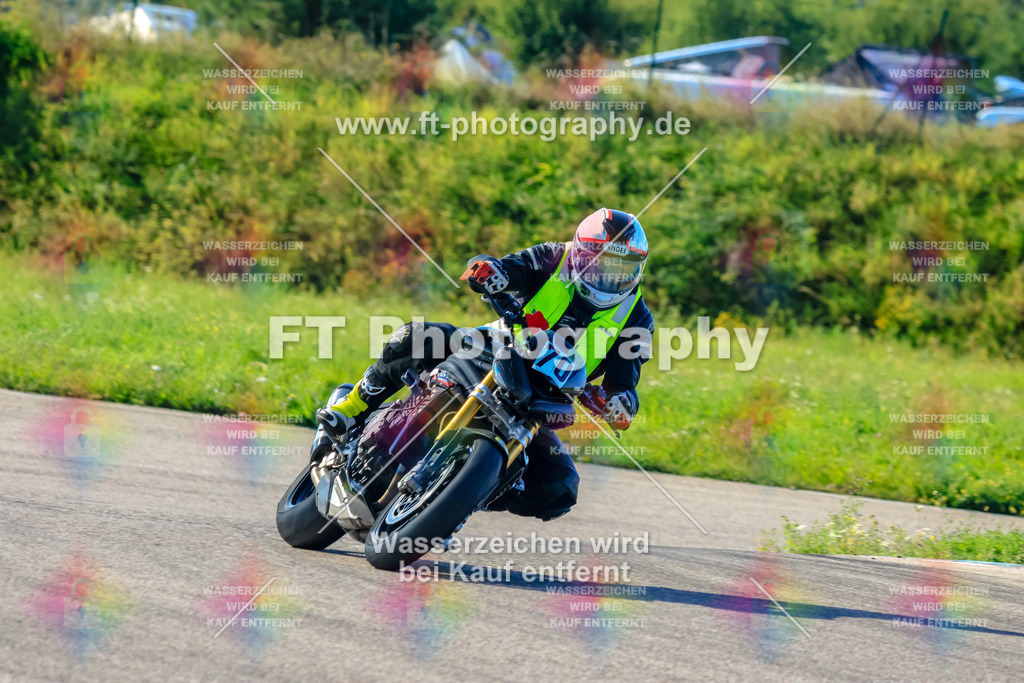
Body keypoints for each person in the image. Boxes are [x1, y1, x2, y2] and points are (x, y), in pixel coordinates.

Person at [316, 208, 655, 520]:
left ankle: (463, 492)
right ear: (581, 254)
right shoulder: (553, 257)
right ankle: (349, 407)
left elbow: (625, 383)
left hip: (541, 400)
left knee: (559, 487)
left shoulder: (638, 319)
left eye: (623, 268)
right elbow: (510, 268)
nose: (612, 276)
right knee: (416, 337)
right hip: (491, 349)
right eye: (604, 264)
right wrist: (491, 271)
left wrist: (619, 404)